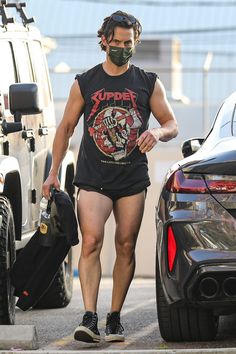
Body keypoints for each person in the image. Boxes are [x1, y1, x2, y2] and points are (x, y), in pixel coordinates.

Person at [42, 10, 178, 343]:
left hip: (131, 178)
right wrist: (53, 172)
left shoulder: (148, 82)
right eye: (115, 42)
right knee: (91, 241)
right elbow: (66, 128)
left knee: (126, 245)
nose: (120, 48)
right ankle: (90, 316)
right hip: (93, 176)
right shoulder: (85, 82)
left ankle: (115, 317)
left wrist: (157, 133)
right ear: (104, 40)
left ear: (136, 42)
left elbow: (172, 124)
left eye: (127, 43)